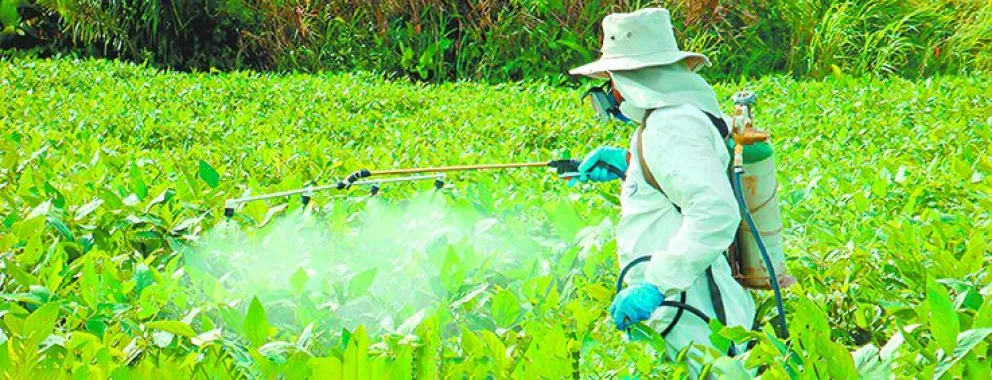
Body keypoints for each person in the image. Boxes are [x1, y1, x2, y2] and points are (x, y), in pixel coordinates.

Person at [567, 7, 756, 374]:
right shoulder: (674, 119)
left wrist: (655, 284)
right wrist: (631, 168)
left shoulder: (671, 127)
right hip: (684, 312)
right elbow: (682, 186)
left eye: (612, 81)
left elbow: (715, 212)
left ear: (629, 78)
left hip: (695, 318)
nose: (613, 94)